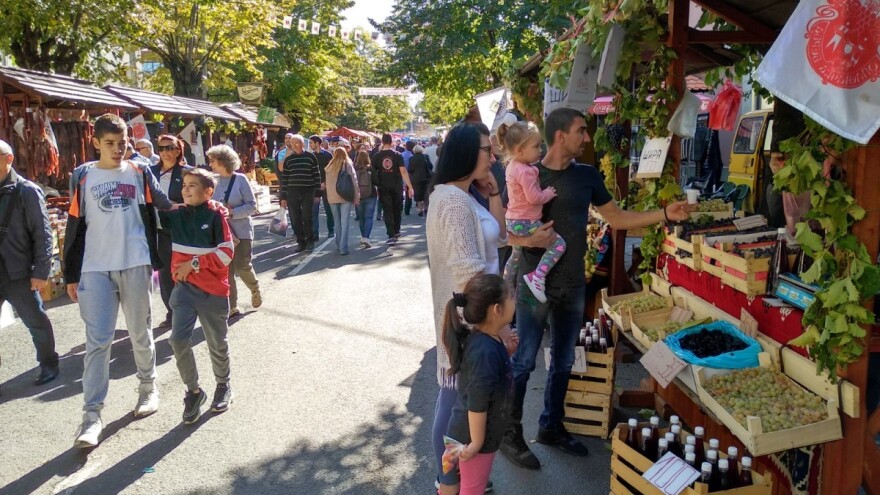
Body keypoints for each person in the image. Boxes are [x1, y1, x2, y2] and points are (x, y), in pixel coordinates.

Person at [500, 108, 692, 469]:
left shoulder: (587, 176)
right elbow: (502, 227)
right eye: (581, 131)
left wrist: (665, 214)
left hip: (573, 283)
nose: (586, 138)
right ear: (560, 136)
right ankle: (510, 433)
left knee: (563, 360)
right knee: (524, 360)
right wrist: (525, 242)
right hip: (532, 285)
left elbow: (617, 218)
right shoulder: (527, 172)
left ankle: (550, 426)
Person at [427, 122, 552, 492]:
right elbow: (469, 273)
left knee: (454, 404)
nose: (493, 156)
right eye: (486, 150)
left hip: (475, 317)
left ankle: (452, 479)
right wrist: (497, 325)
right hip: (472, 321)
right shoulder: (452, 202)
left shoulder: (460, 196)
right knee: (454, 409)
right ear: (466, 153)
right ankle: (447, 481)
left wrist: (495, 190)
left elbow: (497, 234)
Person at [64, 114, 173, 448]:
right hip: (94, 268)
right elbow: (74, 226)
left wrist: (205, 208)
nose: (117, 149)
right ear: (95, 143)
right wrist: (71, 272)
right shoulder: (82, 176)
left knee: (141, 332)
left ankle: (147, 389)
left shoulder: (140, 172)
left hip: (136, 262)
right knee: (98, 341)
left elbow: (166, 206)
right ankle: (91, 417)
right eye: (109, 143)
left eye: (122, 142)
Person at [158, 168, 234, 424]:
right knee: (178, 340)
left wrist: (193, 265)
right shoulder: (175, 215)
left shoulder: (215, 216)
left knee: (217, 343)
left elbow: (226, 253)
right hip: (184, 291)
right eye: (185, 185)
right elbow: (151, 204)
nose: (187, 189)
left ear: (208, 192)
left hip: (213, 291)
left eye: (193, 185)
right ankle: (193, 391)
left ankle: (223, 385)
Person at [441, 274, 514, 495]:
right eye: (511, 296)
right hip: (473, 438)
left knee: (465, 485)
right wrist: (477, 443)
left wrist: (507, 355)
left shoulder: (486, 339)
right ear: (497, 310)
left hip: (465, 432)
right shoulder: (486, 351)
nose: (515, 299)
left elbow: (485, 380)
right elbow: (477, 402)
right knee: (472, 490)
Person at [0, 139, 59, 389]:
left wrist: (41, 271)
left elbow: (43, 234)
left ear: (8, 159)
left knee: (35, 321)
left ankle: (48, 363)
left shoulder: (27, 190)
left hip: (19, 272)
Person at [498, 121, 566, 303]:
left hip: (513, 220)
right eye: (536, 146)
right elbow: (534, 198)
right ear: (519, 150)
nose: (540, 150)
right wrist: (548, 193)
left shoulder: (512, 166)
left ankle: (506, 287)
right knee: (558, 245)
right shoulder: (526, 171)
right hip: (527, 221)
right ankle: (537, 277)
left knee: (515, 255)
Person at [208, 145, 261, 318]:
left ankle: (254, 288)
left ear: (223, 161)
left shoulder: (240, 180)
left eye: (213, 161)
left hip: (242, 231)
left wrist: (231, 212)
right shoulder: (213, 181)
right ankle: (232, 306)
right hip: (222, 233)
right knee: (226, 269)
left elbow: (252, 206)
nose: (210, 164)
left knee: (242, 265)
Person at [150, 135, 191, 328]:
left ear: (178, 150)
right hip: (158, 229)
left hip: (181, 228)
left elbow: (197, 201)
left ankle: (188, 309)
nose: (165, 152)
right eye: (161, 148)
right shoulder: (149, 172)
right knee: (165, 273)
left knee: (184, 271)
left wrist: (176, 206)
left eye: (170, 147)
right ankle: (172, 312)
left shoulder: (187, 173)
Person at [279, 134, 321, 253]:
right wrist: (283, 197)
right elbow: (285, 179)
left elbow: (317, 175)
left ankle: (310, 241)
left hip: (308, 190)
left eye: (297, 143)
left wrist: (317, 194)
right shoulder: (289, 160)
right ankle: (300, 242)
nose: (294, 146)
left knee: (307, 217)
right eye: (292, 144)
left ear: (302, 144)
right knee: (295, 218)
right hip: (293, 191)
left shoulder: (311, 157)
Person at [371, 134, 414, 244]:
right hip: (396, 185)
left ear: (382, 141)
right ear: (391, 142)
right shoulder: (397, 155)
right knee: (397, 208)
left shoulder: (376, 156)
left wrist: (376, 184)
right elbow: (403, 171)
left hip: (383, 186)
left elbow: (373, 172)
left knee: (387, 209)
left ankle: (390, 234)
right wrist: (410, 186)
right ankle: (396, 230)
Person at [324, 148, 360, 255]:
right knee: (345, 222)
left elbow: (328, 184)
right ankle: (343, 247)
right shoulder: (347, 165)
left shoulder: (329, 167)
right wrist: (356, 195)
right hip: (346, 195)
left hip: (332, 197)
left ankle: (338, 243)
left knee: (337, 221)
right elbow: (354, 180)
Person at [309, 135, 335, 242]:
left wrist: (325, 182)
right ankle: (315, 233)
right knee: (314, 210)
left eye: (311, 143)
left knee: (328, 209)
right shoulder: (311, 156)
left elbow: (331, 170)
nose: (310, 145)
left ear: (317, 143)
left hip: (326, 186)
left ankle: (331, 230)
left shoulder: (327, 155)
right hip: (315, 186)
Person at [353, 150, 377, 248]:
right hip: (371, 195)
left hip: (358, 195)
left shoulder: (354, 168)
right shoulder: (371, 168)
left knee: (361, 218)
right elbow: (376, 181)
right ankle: (366, 237)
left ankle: (363, 236)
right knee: (369, 217)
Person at [408, 144, 432, 217]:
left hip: (416, 179)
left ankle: (420, 209)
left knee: (418, 194)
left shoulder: (411, 159)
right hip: (426, 178)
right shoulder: (425, 157)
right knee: (425, 194)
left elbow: (410, 169)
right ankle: (426, 208)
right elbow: (430, 166)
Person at [402, 141, 416, 216]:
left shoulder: (402, 154)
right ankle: (408, 207)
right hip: (410, 175)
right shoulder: (411, 156)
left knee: (406, 192)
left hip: (402, 175)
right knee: (409, 191)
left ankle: (405, 208)